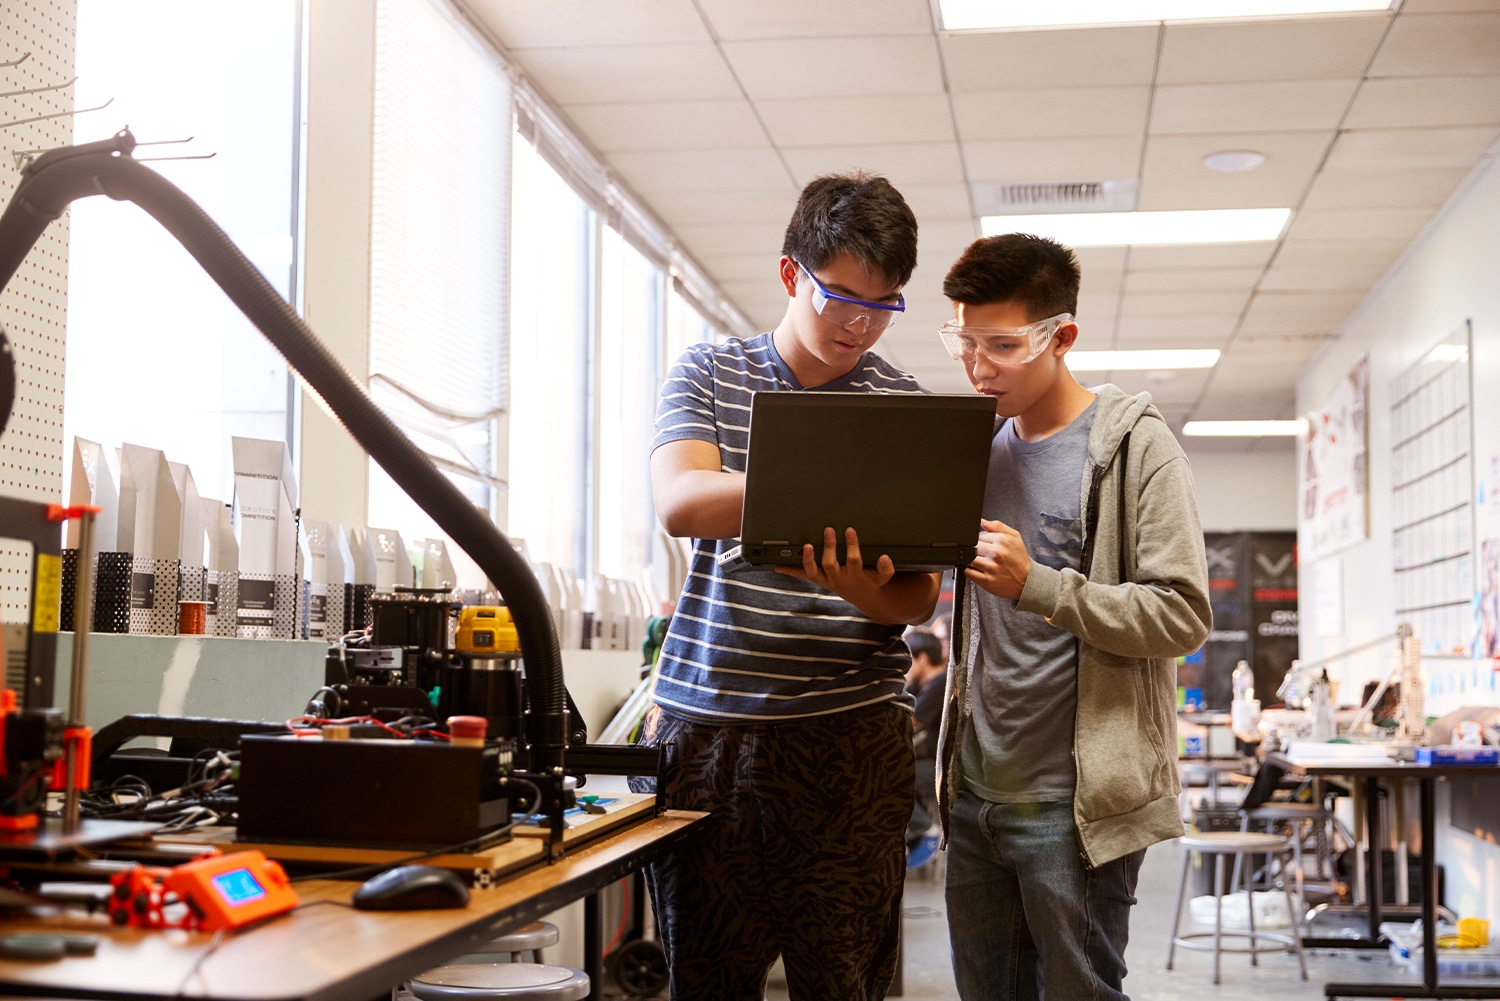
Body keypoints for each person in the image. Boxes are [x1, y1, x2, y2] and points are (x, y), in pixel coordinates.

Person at [636, 171, 942, 1000]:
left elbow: (916, 597)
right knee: (706, 980)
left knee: (844, 985)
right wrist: (828, 483)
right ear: (788, 275)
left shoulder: (901, 409)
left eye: (886, 303)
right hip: (709, 738)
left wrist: (853, 586)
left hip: (850, 739)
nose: (860, 322)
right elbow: (681, 501)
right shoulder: (709, 371)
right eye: (841, 295)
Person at [933, 233, 1212, 1000]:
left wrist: (1041, 585)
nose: (978, 364)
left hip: (1077, 806)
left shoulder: (1136, 449)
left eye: (1002, 344)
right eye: (963, 340)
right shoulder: (978, 451)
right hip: (975, 792)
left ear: (1062, 337)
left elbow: (1183, 612)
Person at [904, 627, 947, 852]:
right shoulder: (922, 684)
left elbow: (909, 720)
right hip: (928, 760)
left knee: (893, 776)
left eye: (908, 659)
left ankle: (924, 826)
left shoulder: (941, 682)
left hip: (940, 767)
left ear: (922, 658)